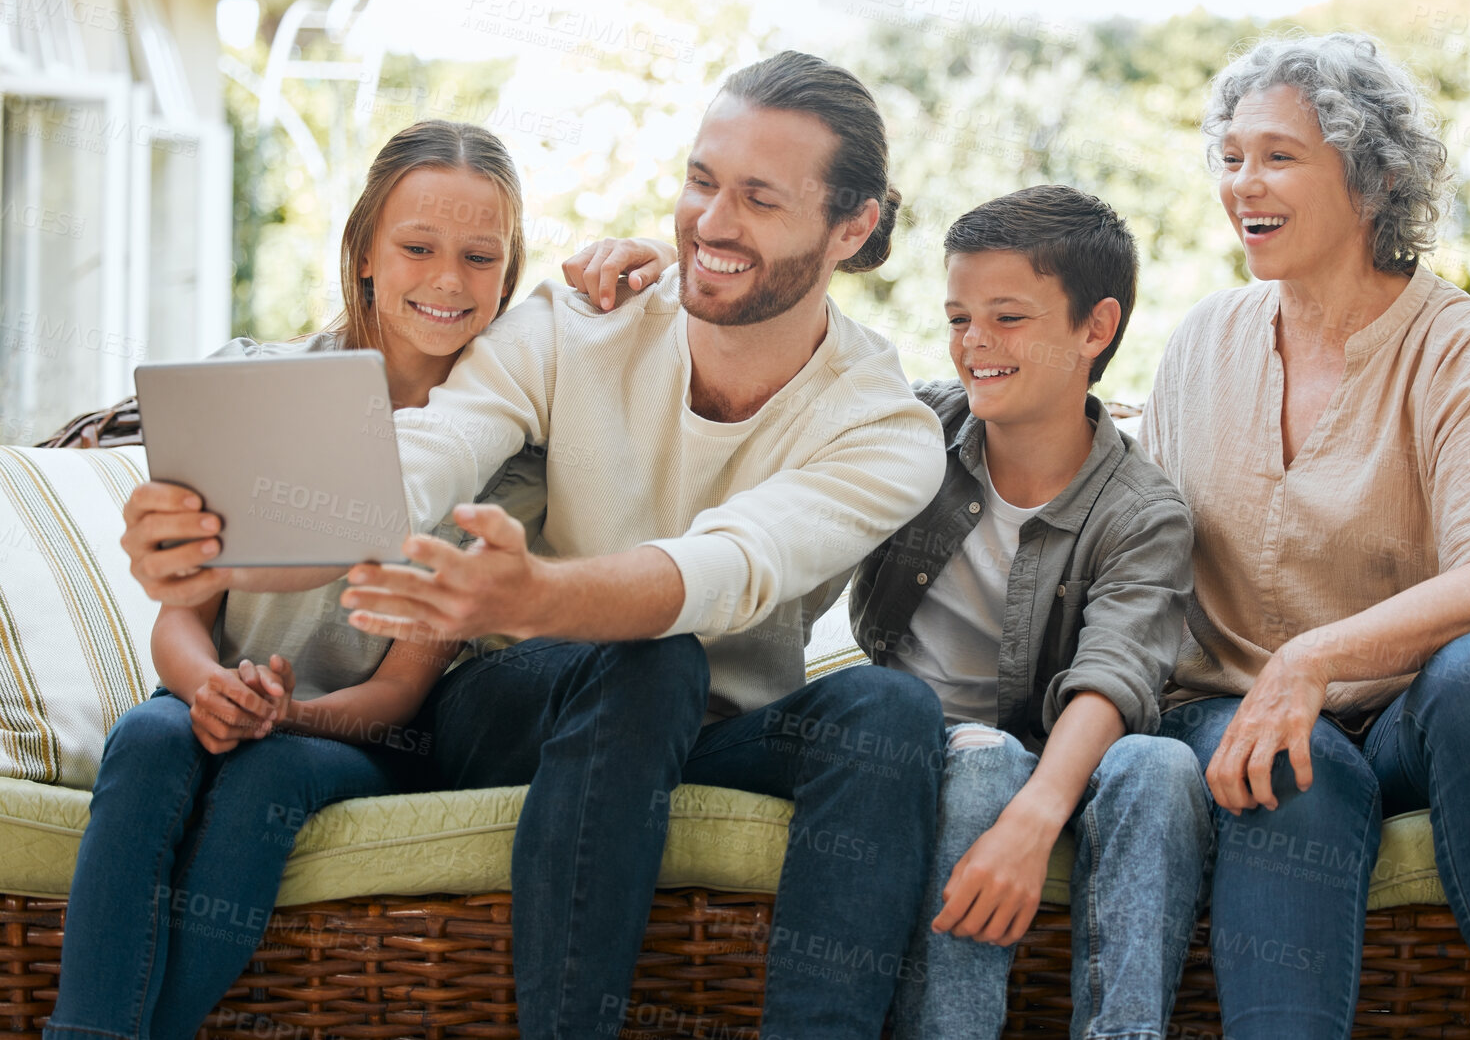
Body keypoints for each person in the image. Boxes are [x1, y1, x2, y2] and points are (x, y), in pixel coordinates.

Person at [121, 51, 949, 1040]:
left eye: (759, 198)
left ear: (851, 226)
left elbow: (723, 567)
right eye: (700, 181)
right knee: (644, 662)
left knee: (887, 706)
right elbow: (419, 461)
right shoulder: (576, 322)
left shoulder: (883, 429)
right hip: (521, 706)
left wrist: (517, 592)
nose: (711, 223)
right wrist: (220, 551)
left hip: (716, 722)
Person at [1141, 32, 1470, 1036]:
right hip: (1225, 706)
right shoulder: (1199, 342)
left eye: (1276, 155)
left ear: (1372, 175)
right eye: (1228, 156)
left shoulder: (1452, 339)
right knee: (1289, 754)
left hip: (1401, 714)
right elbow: (1132, 561)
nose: (1240, 183)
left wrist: (1313, 656)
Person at [50, 120, 553, 1040]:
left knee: (269, 769)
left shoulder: (510, 457)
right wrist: (213, 692)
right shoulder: (253, 385)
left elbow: (402, 689)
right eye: (417, 247)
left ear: (508, 274)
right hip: (210, 695)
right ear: (364, 252)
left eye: (480, 256)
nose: (448, 279)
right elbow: (181, 620)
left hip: (366, 736)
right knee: (148, 738)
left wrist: (285, 714)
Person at [847, 185, 1209, 1039]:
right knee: (981, 761)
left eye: (1006, 317)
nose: (975, 342)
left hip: (1052, 756)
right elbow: (791, 355)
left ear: (1096, 327)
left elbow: (1115, 677)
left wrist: (1035, 819)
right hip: (919, 745)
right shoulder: (915, 425)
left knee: (1159, 766)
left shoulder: (1143, 510)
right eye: (958, 316)